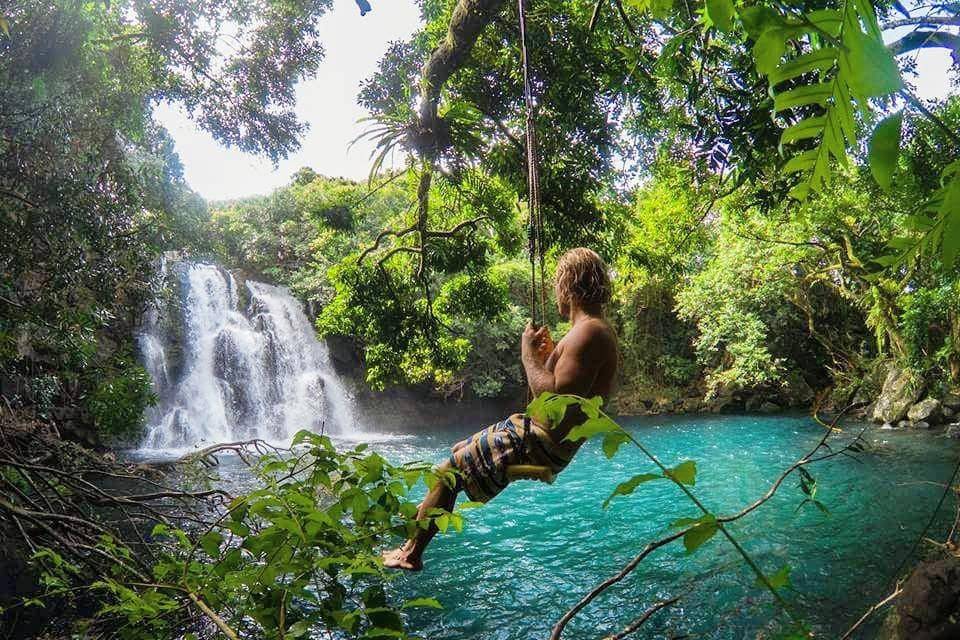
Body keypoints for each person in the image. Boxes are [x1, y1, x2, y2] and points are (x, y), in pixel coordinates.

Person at [382, 247, 618, 571]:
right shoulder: (587, 331)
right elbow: (562, 388)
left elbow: (555, 408)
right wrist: (548, 358)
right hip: (534, 436)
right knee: (458, 451)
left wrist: (528, 357)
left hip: (541, 444)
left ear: (568, 285)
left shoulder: (589, 332)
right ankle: (421, 519)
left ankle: (411, 554)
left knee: (449, 471)